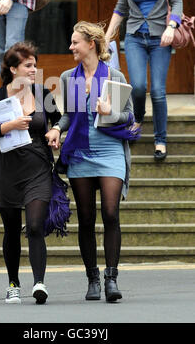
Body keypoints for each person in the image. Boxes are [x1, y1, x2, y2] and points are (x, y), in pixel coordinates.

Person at [45, 21, 139, 303]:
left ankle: (112, 278)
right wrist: (56, 129)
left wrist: (111, 111)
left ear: (91, 44)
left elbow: (130, 118)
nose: (70, 47)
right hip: (80, 154)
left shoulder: (114, 76)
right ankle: (93, 278)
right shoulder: (67, 78)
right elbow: (69, 116)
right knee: (86, 218)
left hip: (110, 152)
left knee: (110, 213)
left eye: (75, 42)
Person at [0, 42, 61, 304]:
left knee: (36, 226)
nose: (35, 69)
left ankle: (39, 282)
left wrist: (55, 130)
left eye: (35, 64)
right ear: (14, 69)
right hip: (6, 171)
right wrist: (8, 125)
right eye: (28, 65)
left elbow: (59, 118)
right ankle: (13, 283)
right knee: (12, 229)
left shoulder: (42, 92)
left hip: (37, 168)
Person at [105, 0, 183, 161]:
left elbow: (177, 1)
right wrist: (107, 36)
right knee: (138, 86)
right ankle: (138, 118)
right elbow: (121, 7)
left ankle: (160, 140)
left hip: (161, 37)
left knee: (158, 91)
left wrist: (172, 26)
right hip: (135, 37)